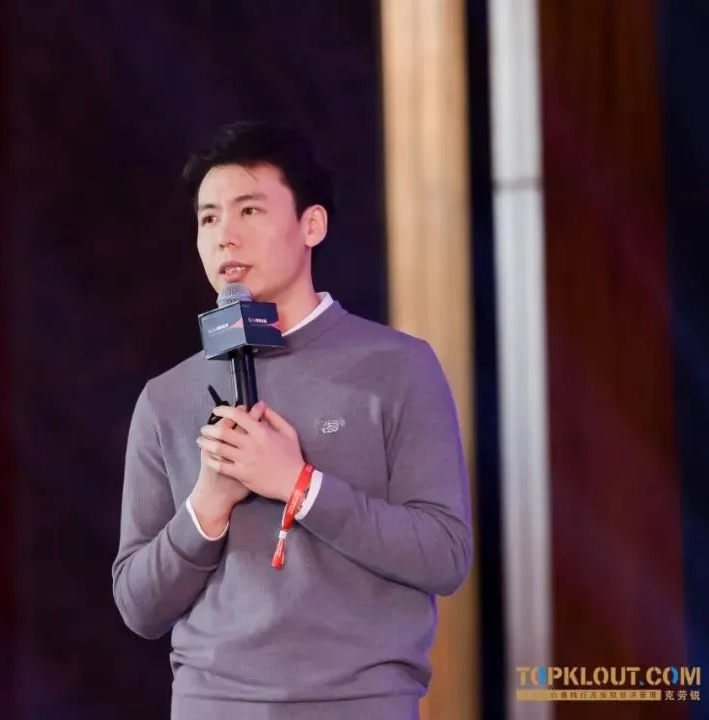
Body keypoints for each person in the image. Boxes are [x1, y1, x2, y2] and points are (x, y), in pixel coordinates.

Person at [111, 119, 473, 720]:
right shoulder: (166, 397)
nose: (226, 236)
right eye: (208, 218)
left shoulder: (397, 366)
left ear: (312, 225)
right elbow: (138, 606)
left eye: (249, 210)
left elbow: (444, 555)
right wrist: (207, 504)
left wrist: (301, 486)